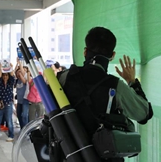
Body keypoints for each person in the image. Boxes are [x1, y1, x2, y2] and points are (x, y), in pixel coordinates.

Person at [58, 27, 153, 161]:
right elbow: (144, 114)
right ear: (112, 55)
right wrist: (132, 82)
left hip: (67, 155)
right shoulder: (116, 85)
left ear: (85, 51)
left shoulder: (64, 77)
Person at [0, 63, 15, 142]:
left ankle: (11, 135)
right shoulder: (0, 83)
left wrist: (11, 68)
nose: (5, 77)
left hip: (8, 103)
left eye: (6, 75)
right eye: (4, 75)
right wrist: (0, 68)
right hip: (0, 103)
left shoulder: (10, 83)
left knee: (9, 120)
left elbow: (12, 76)